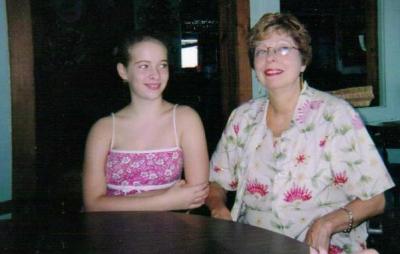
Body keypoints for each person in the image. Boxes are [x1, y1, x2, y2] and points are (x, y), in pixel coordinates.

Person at [206, 13, 394, 254]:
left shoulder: (335, 115)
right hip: (252, 242)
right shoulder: (242, 118)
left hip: (322, 245)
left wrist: (328, 223)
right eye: (262, 51)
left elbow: (377, 199)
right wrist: (218, 207)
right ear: (254, 65)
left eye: (283, 48)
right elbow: (217, 183)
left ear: (303, 61)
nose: (271, 57)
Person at [83, 31, 209, 211]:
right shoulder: (103, 129)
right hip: (112, 234)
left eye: (162, 65)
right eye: (144, 66)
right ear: (123, 71)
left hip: (169, 232)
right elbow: (92, 205)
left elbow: (197, 194)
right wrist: (167, 200)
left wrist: (115, 202)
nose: (155, 75)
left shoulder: (185, 119)